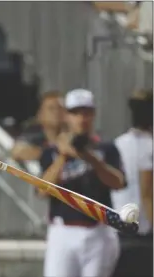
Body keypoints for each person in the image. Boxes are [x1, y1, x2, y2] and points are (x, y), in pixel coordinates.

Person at [40, 89, 125, 277]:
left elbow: (119, 183)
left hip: (98, 230)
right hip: (63, 231)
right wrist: (62, 157)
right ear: (67, 116)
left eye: (86, 113)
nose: (81, 118)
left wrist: (92, 159)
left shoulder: (105, 148)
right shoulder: (53, 151)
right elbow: (42, 191)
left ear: (93, 115)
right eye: (75, 113)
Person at [111, 89, 153, 277]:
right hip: (141, 232)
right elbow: (148, 194)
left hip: (116, 225)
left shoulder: (118, 143)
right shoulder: (149, 146)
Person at [11, 90, 64, 162]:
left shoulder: (73, 135)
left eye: (60, 108)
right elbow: (17, 152)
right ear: (40, 114)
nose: (57, 112)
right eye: (51, 109)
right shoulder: (32, 136)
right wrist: (49, 153)